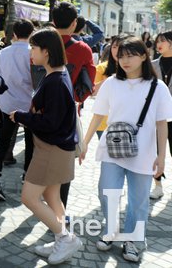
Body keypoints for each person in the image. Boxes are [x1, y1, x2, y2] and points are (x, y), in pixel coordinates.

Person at [80, 37, 172, 263]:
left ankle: (134, 240)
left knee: (139, 200)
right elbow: (98, 115)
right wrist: (85, 142)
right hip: (113, 149)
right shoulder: (112, 83)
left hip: (144, 152)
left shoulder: (157, 86)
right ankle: (111, 230)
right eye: (121, 55)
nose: (124, 60)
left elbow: (162, 123)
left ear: (143, 56)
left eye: (130, 55)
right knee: (107, 190)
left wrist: (161, 157)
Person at [10, 27, 81, 265]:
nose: (30, 52)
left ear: (47, 52)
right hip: (56, 148)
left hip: (52, 149)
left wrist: (21, 116)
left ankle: (65, 237)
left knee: (29, 198)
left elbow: (51, 122)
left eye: (33, 47)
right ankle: (61, 237)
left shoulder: (55, 81)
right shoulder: (56, 77)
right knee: (52, 196)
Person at [51, 2, 95, 210]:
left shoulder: (41, 42)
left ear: (52, 21)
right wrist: (79, 99)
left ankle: (42, 204)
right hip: (68, 113)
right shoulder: (82, 49)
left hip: (38, 110)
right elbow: (88, 84)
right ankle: (59, 212)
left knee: (41, 159)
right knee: (64, 166)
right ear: (75, 23)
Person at [0, 18, 35, 201]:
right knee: (31, 142)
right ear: (31, 33)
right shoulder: (33, 52)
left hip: (6, 103)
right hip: (28, 104)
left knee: (3, 141)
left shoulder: (4, 52)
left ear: (14, 34)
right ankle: (27, 176)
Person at [93, 35, 132, 139]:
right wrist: (109, 80)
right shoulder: (101, 68)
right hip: (104, 122)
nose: (116, 50)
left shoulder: (135, 68)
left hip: (129, 121)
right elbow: (93, 92)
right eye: (114, 47)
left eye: (120, 46)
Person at [148, 31, 172, 199]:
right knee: (154, 151)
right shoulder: (152, 65)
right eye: (157, 41)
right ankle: (158, 186)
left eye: (163, 40)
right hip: (157, 116)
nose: (159, 43)